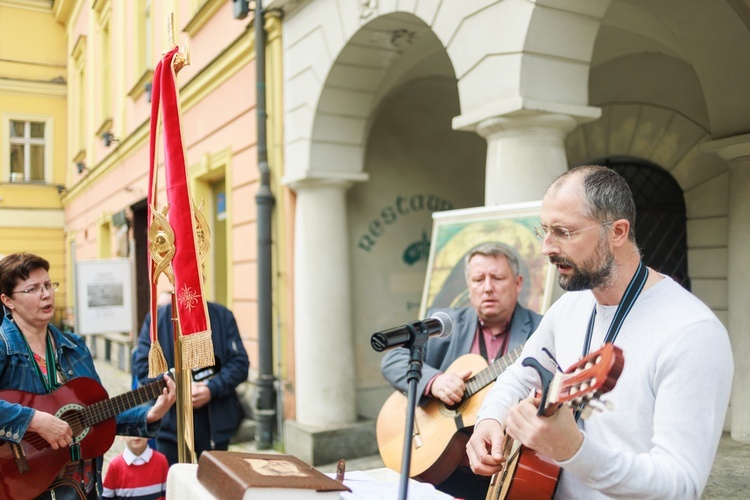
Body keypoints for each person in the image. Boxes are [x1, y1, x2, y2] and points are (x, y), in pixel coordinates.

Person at [467, 165, 734, 498]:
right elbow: (521, 375)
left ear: (618, 232)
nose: (546, 248)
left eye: (563, 232)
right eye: (544, 231)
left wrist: (574, 450)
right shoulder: (569, 307)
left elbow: (679, 486)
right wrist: (488, 420)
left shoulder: (692, 333)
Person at [0, 252, 176, 499]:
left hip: (83, 487)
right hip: (26, 486)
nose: (46, 294)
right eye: (33, 289)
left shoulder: (75, 346)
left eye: (49, 285)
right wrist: (34, 420)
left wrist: (149, 414)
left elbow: (95, 413)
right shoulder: (3, 347)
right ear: (8, 300)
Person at [380, 242, 542, 499]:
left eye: (497, 278)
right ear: (469, 286)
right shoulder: (445, 323)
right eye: (478, 279)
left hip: (504, 470)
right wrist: (434, 381)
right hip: (445, 471)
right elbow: (394, 359)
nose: (487, 287)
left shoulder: (541, 332)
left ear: (518, 283)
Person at [133, 298, 250, 465]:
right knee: (176, 485)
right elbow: (144, 368)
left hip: (214, 422)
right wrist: (177, 389)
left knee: (213, 484)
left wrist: (211, 389)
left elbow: (239, 364)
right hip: (170, 425)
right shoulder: (156, 320)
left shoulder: (222, 315)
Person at [101, 436, 169, 499]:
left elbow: (167, 495)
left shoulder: (161, 461)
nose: (136, 435)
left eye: (141, 427)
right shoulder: (115, 466)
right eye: (130, 429)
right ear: (122, 435)